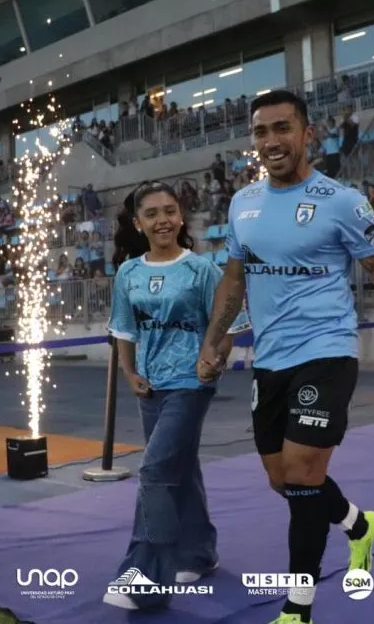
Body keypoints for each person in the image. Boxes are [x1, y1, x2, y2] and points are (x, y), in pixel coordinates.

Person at [197, 90, 374, 624]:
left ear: (309, 134)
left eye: (282, 128)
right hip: (271, 358)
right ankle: (358, 526)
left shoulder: (342, 202)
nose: (271, 141)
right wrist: (213, 341)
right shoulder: (243, 204)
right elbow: (234, 280)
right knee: (283, 480)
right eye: (261, 132)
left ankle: (297, 608)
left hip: (328, 351)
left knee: (304, 472)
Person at [103, 182, 248, 612]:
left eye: (170, 211)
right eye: (152, 213)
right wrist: (129, 372)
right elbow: (124, 329)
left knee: (154, 472)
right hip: (150, 386)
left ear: (181, 217)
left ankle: (145, 579)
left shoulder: (201, 269)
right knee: (180, 470)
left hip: (191, 383)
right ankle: (199, 554)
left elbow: (228, 326)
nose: (162, 219)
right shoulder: (128, 272)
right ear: (138, 223)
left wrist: (215, 361)